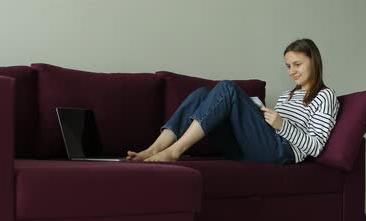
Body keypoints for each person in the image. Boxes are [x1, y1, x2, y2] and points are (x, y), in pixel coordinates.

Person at [126, 38, 338, 164]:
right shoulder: (287, 96)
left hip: (282, 151)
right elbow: (268, 129)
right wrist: (263, 115)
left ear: (314, 61)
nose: (292, 71)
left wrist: (281, 125)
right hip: (255, 146)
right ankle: (154, 148)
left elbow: (316, 147)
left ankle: (175, 151)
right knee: (201, 93)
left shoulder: (325, 96)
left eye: (297, 64)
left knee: (228, 88)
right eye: (288, 66)